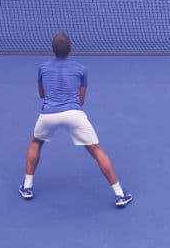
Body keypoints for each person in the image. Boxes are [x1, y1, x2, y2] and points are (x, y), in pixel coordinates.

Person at [20, 32, 132, 208]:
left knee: (36, 143)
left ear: (53, 50)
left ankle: (27, 187)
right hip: (74, 114)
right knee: (97, 150)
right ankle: (119, 194)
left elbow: (42, 94)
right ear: (70, 50)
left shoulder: (43, 68)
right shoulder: (81, 69)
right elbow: (81, 100)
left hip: (48, 114)